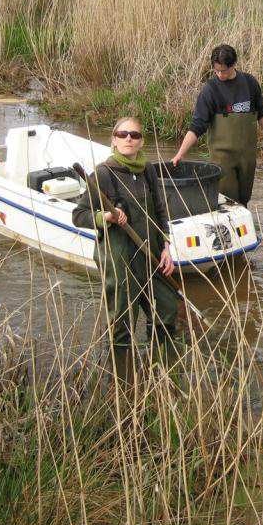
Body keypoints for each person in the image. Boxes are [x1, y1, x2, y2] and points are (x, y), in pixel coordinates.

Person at [72, 116, 180, 382]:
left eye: (134, 135)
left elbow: (160, 209)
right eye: (123, 135)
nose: (129, 139)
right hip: (119, 261)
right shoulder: (103, 174)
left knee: (166, 308)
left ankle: (161, 372)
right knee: (122, 323)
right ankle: (124, 382)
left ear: (142, 141)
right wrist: (106, 218)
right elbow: (79, 215)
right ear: (114, 140)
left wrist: (166, 246)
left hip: (152, 256)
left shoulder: (148, 170)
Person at [171, 44, 263, 206]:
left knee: (244, 200)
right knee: (228, 202)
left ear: (234, 65)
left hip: (247, 156)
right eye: (216, 71)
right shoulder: (210, 90)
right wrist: (180, 153)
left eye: (224, 71)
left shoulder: (250, 83)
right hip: (222, 158)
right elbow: (197, 126)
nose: (220, 75)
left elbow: (261, 113)